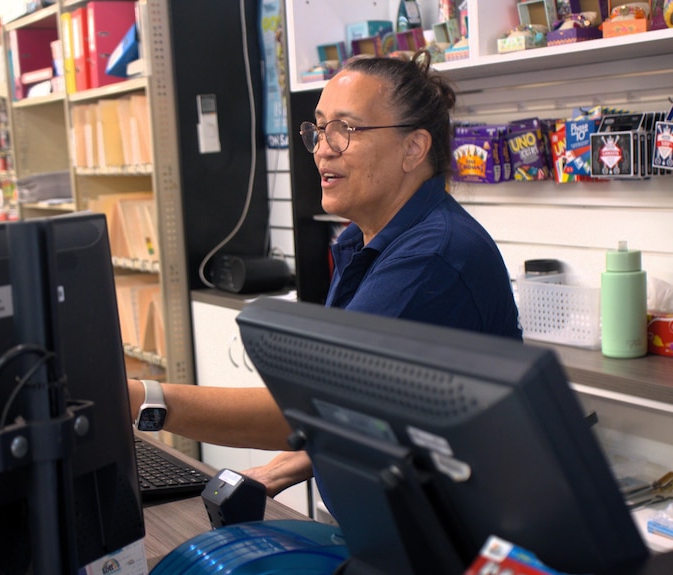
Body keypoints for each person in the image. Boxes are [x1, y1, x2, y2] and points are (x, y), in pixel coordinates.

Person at [127, 50, 521, 500]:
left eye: (345, 130)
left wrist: (144, 399)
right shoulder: (365, 241)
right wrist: (290, 464)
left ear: (413, 148)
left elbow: (318, 408)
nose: (322, 148)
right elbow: (375, 400)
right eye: (318, 129)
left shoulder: (431, 257)